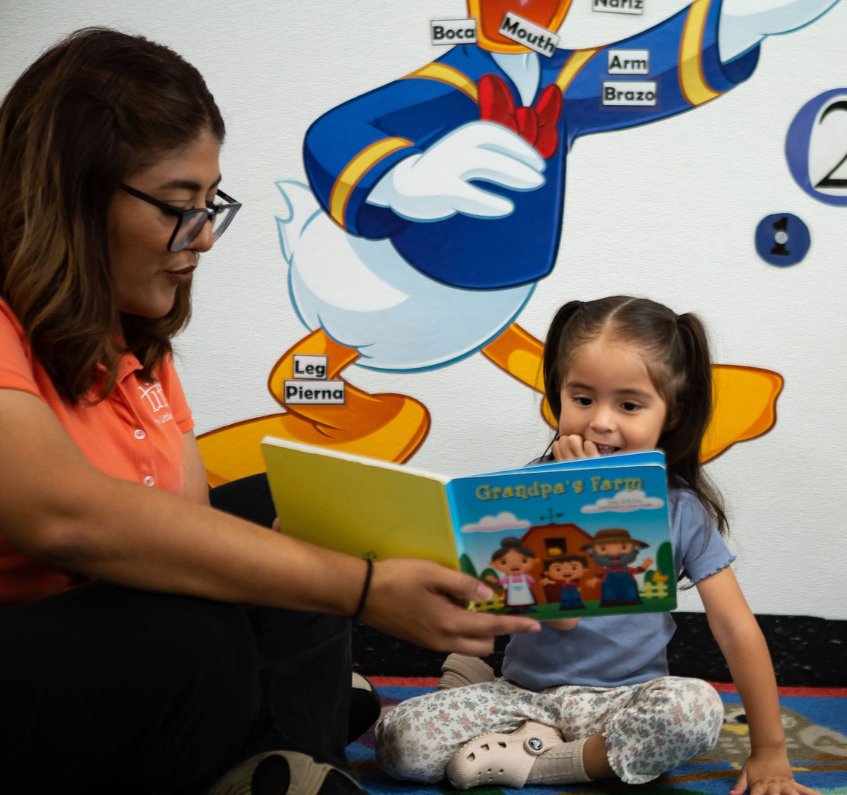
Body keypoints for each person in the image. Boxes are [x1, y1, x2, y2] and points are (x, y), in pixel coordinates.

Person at [0, 28, 538, 795]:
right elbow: (63, 517)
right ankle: (272, 731)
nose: (206, 236)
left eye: (210, 203)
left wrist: (318, 557)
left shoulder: (135, 345)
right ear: (74, 194)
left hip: (109, 647)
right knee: (191, 635)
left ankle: (282, 755)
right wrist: (353, 585)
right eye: (179, 206)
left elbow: (188, 535)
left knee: (292, 509)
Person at [374, 296, 823, 795]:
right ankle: (496, 704)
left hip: (620, 705)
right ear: (558, 395)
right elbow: (561, 616)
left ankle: (536, 757)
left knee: (695, 711)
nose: (601, 422)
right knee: (400, 741)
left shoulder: (679, 509)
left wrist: (770, 752)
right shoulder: (524, 495)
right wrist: (567, 495)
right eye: (582, 399)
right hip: (524, 694)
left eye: (629, 405)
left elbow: (735, 628)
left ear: (671, 413)